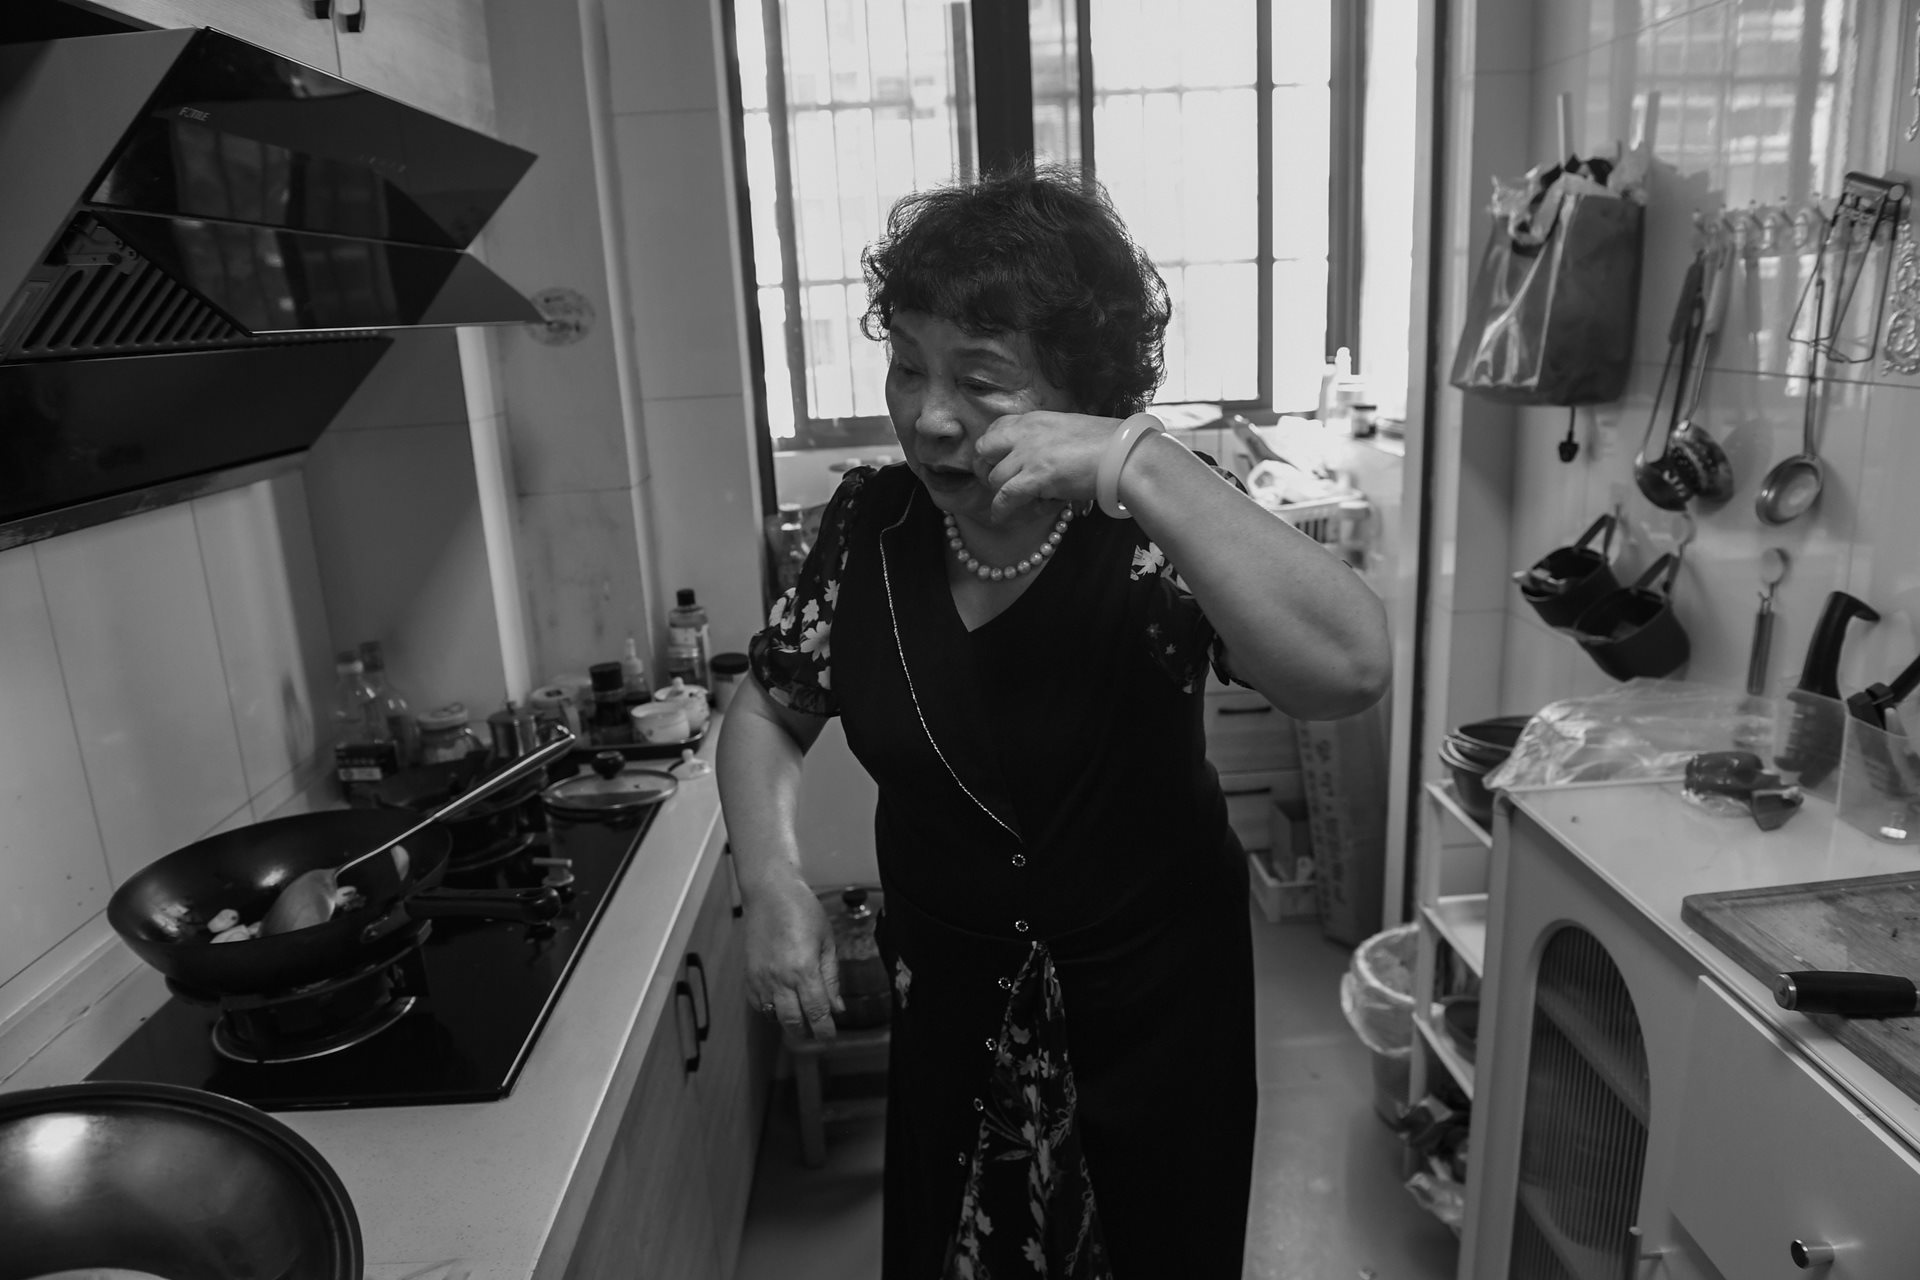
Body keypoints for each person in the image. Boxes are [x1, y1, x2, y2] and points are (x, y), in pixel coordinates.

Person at [717, 164, 1390, 1279]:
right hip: (955, 1012)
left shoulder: (1157, 526)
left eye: (980, 380)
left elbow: (1352, 665)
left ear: (1081, 390)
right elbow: (769, 708)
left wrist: (1140, 462)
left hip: (1157, 1014)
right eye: (908, 366)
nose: (929, 415)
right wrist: (773, 877)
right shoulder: (867, 528)